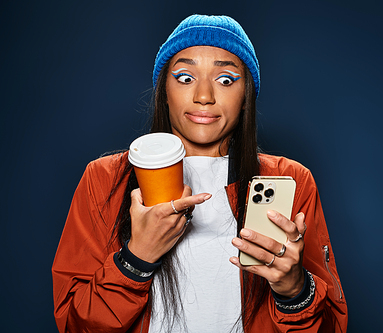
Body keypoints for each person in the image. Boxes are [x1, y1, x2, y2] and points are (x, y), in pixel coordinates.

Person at [52, 14, 347, 333]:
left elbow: (332, 326)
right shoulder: (105, 179)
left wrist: (295, 291)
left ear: (246, 94)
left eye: (225, 80)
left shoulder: (291, 180)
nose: (204, 96)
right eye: (184, 77)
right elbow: (74, 325)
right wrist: (137, 259)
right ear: (163, 90)